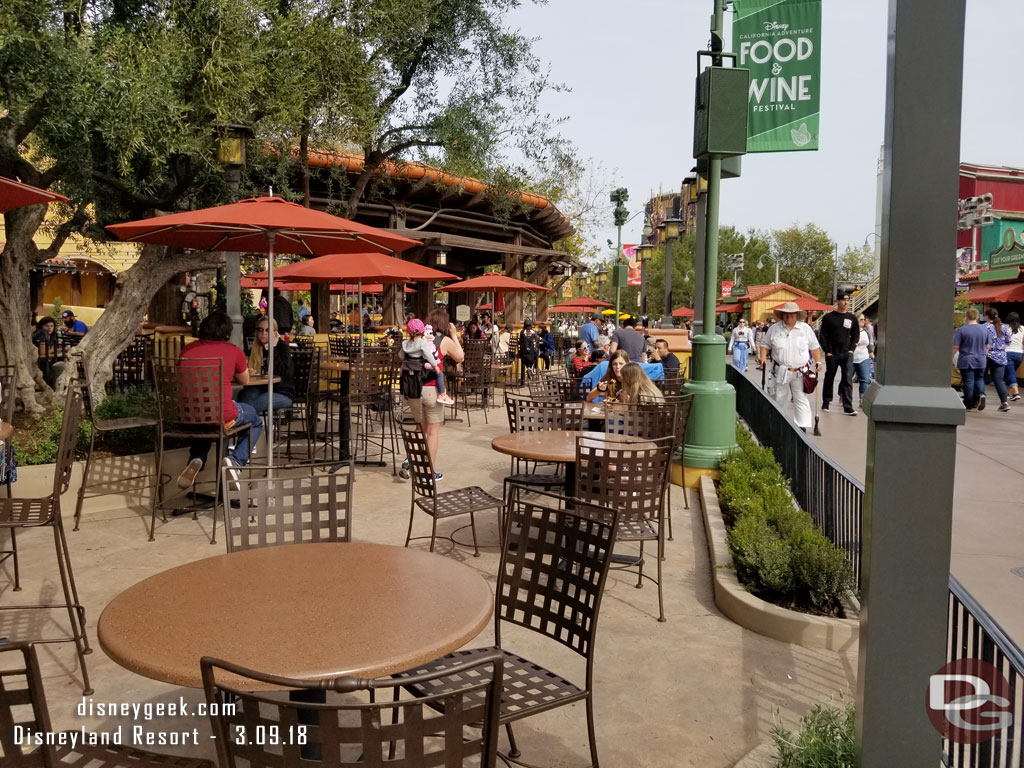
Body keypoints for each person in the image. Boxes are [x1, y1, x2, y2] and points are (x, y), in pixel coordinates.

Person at [176, 311, 260, 489]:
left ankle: (196, 460)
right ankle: (235, 462)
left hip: (188, 416)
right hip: (222, 416)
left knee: (207, 419)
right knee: (255, 419)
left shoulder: (187, 350)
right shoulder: (233, 351)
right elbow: (245, 381)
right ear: (227, 333)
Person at [405, 308, 464, 477]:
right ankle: (428, 472)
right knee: (432, 432)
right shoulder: (443, 340)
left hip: (414, 390)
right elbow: (460, 357)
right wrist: (454, 334)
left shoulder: (416, 337)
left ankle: (409, 463)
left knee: (419, 429)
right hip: (432, 390)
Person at [758, 302, 823, 432]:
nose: (789, 316)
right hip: (780, 370)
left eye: (792, 313)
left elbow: (814, 346)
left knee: (801, 399)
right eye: (786, 314)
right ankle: (777, 424)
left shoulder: (805, 329)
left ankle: (801, 426)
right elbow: (765, 344)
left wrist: (818, 362)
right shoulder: (774, 328)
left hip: (800, 371)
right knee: (779, 397)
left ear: (797, 314)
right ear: (782, 315)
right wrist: (763, 357)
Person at [238, 317, 295, 414]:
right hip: (261, 388)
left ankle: (252, 426)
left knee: (249, 407)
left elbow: (282, 373)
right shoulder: (256, 348)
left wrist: (272, 348)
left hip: (282, 391)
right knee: (243, 397)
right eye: (260, 329)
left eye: (268, 330)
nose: (263, 333)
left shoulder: (282, 347)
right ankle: (251, 427)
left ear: (275, 333)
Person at [819, 292, 860, 415]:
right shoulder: (828, 318)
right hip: (832, 353)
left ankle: (848, 406)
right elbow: (823, 335)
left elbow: (856, 334)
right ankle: (826, 402)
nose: (846, 302)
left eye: (848, 300)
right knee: (829, 377)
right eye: (843, 300)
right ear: (837, 301)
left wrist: (851, 349)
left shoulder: (852, 318)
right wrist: (827, 351)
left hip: (847, 353)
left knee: (847, 379)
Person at [406, 319, 455, 406]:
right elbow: (428, 355)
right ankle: (442, 394)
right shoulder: (423, 343)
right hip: (425, 379)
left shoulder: (405, 344)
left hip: (411, 384)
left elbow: (401, 356)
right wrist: (436, 366)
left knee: (418, 419)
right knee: (439, 374)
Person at [953, 307, 989, 411]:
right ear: (977, 317)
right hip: (981, 359)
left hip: (966, 359)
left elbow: (955, 347)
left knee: (969, 381)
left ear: (966, 317)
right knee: (979, 379)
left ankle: (968, 403)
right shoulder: (984, 329)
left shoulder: (962, 330)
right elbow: (987, 346)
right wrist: (983, 356)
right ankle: (981, 394)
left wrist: (950, 357)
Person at [983, 307, 1011, 412]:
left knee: (980, 377)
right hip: (1001, 356)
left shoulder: (984, 327)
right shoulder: (1004, 327)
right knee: (999, 380)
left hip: (986, 355)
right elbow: (1009, 341)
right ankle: (1004, 403)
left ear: (986, 316)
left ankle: (979, 397)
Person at [33, 316, 63, 386]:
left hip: (46, 359)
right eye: (46, 326)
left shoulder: (52, 335)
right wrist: (53, 350)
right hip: (38, 361)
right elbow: (42, 352)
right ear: (41, 326)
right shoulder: (42, 333)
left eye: (51, 326)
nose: (49, 328)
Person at [851, 314, 875, 402]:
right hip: (852, 358)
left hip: (864, 357)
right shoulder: (850, 332)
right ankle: (844, 396)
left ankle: (862, 399)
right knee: (847, 379)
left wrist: (872, 355)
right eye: (861, 319)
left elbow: (868, 345)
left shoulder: (866, 332)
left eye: (864, 319)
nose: (863, 321)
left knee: (865, 379)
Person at [1004, 311, 1023, 402]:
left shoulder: (1005, 328)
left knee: (1010, 373)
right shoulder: (1023, 328)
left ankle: (1016, 393)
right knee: (1010, 373)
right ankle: (1007, 394)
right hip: (1020, 354)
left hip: (1008, 353)